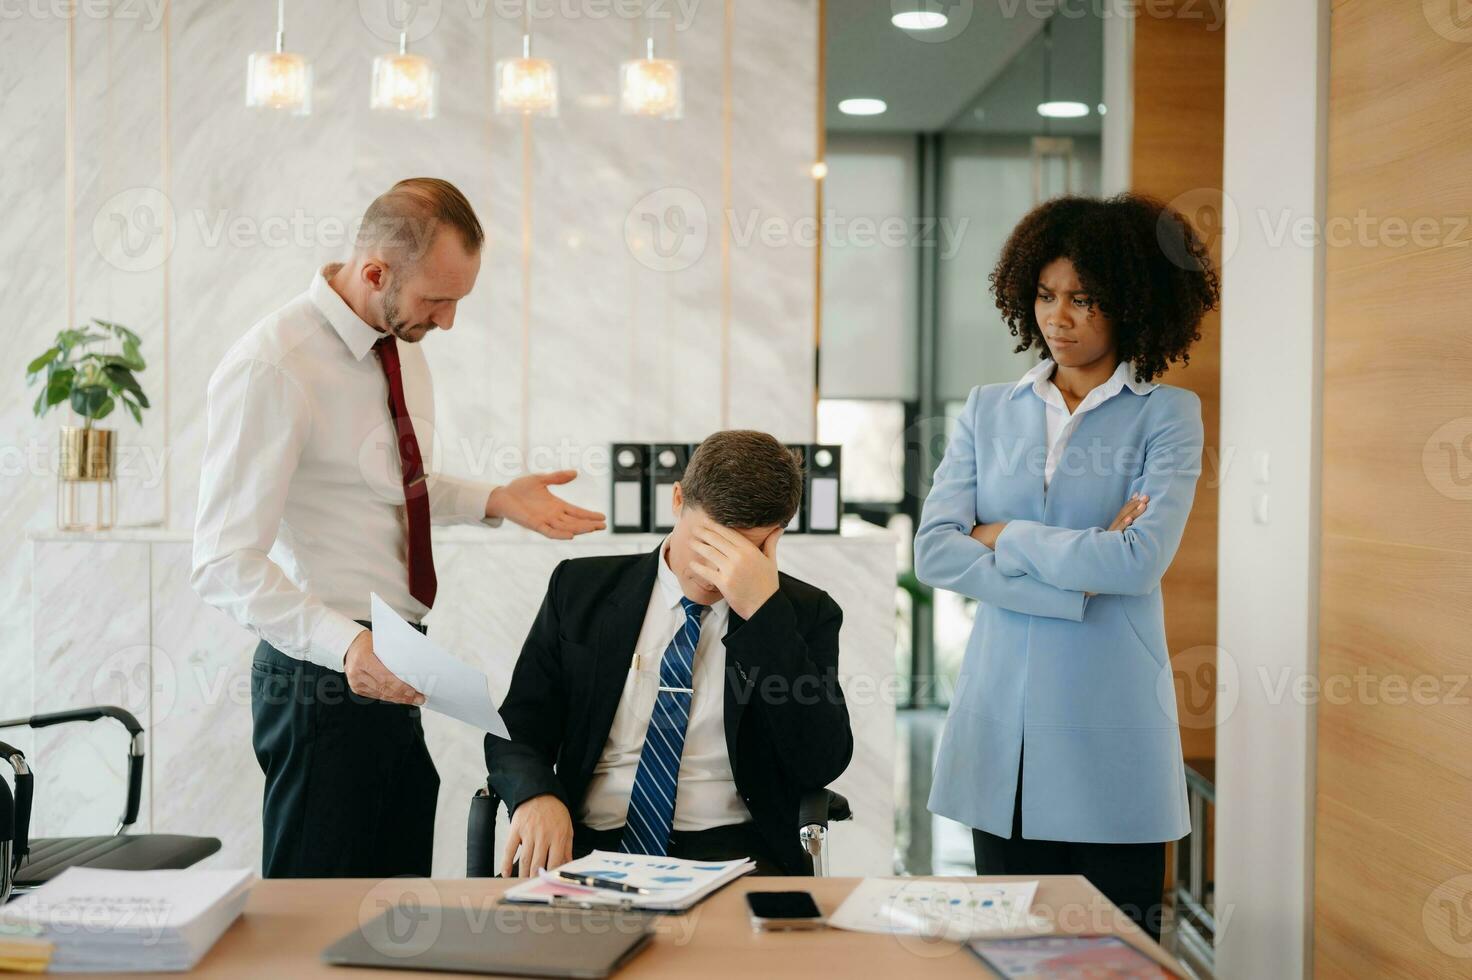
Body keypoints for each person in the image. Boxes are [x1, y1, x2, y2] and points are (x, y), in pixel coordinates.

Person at [192, 177, 607, 878]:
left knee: (396, 903)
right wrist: (348, 646)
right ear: (376, 272)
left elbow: (389, 486)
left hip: (395, 659)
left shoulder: (401, 343)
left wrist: (497, 499)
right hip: (320, 676)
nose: (447, 322)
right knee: (314, 917)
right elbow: (222, 561)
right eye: (437, 300)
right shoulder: (274, 365)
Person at [914, 193, 1220, 939]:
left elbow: (1140, 560)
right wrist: (1081, 570)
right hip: (1001, 742)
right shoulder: (989, 408)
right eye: (1047, 296)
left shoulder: (1166, 415)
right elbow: (934, 550)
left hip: (1109, 737)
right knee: (1009, 952)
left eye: (1084, 299)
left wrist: (1002, 532)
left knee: (1115, 956)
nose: (1060, 317)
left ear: (1132, 305)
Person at [485, 430, 852, 877]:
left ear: (775, 537)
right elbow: (515, 728)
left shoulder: (804, 613)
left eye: (744, 551)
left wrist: (762, 615)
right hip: (592, 841)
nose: (716, 571)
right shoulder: (580, 590)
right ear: (677, 500)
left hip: (736, 851)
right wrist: (536, 795)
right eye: (708, 542)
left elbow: (820, 761)